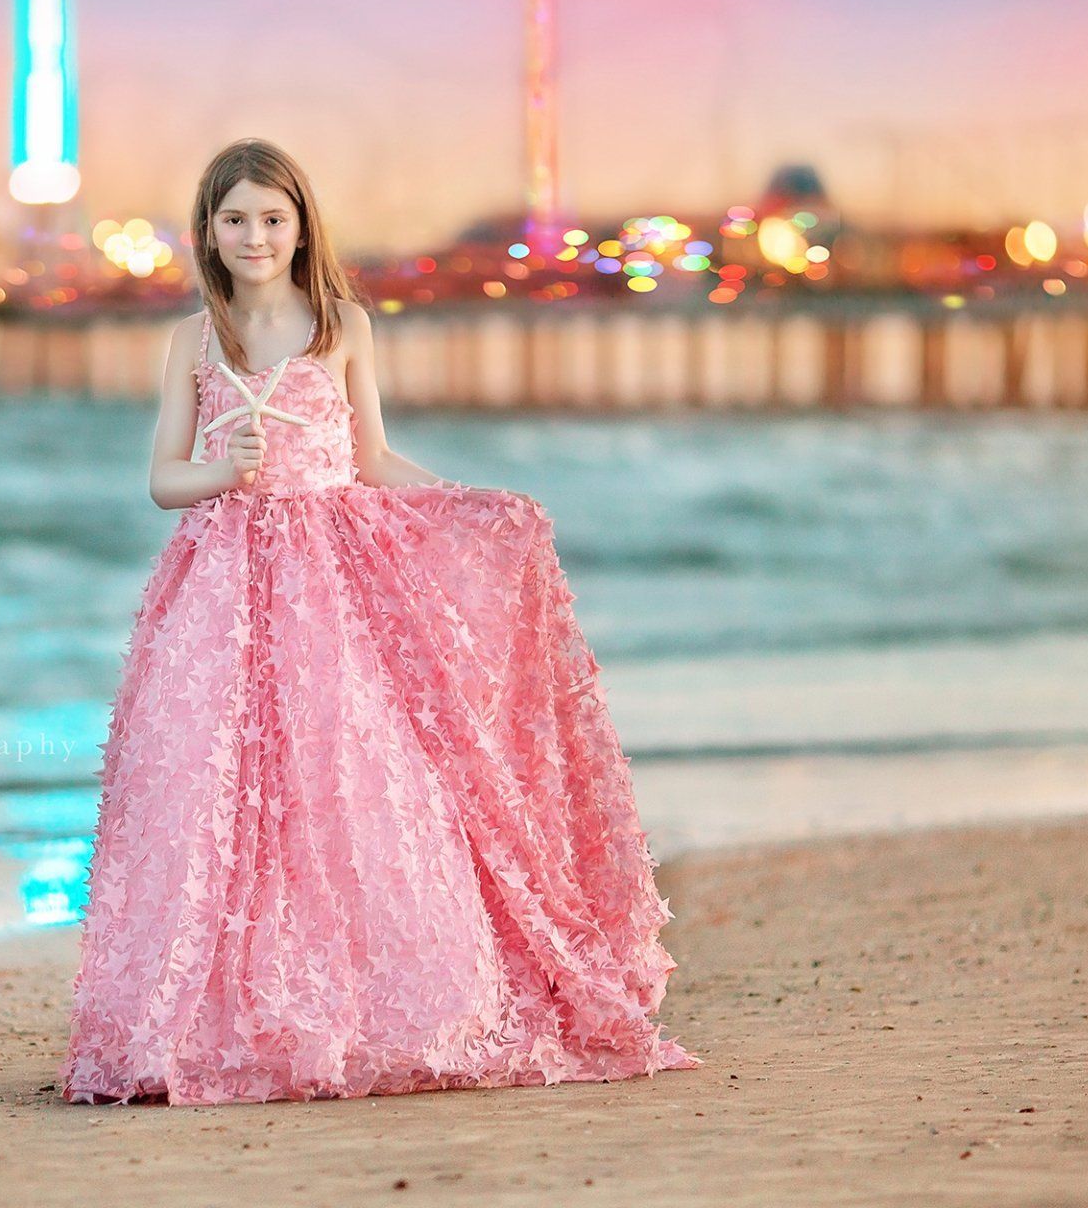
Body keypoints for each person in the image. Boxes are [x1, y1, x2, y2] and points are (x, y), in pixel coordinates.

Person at [59, 138, 699, 1105]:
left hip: (330, 582)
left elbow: (372, 456)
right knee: (220, 788)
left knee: (343, 775)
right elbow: (161, 480)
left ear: (301, 225)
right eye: (235, 219)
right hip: (224, 584)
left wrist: (468, 506)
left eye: (273, 218)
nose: (255, 235)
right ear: (208, 232)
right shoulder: (194, 339)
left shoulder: (340, 323)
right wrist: (223, 473)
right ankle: (216, 1015)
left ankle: (359, 1004)